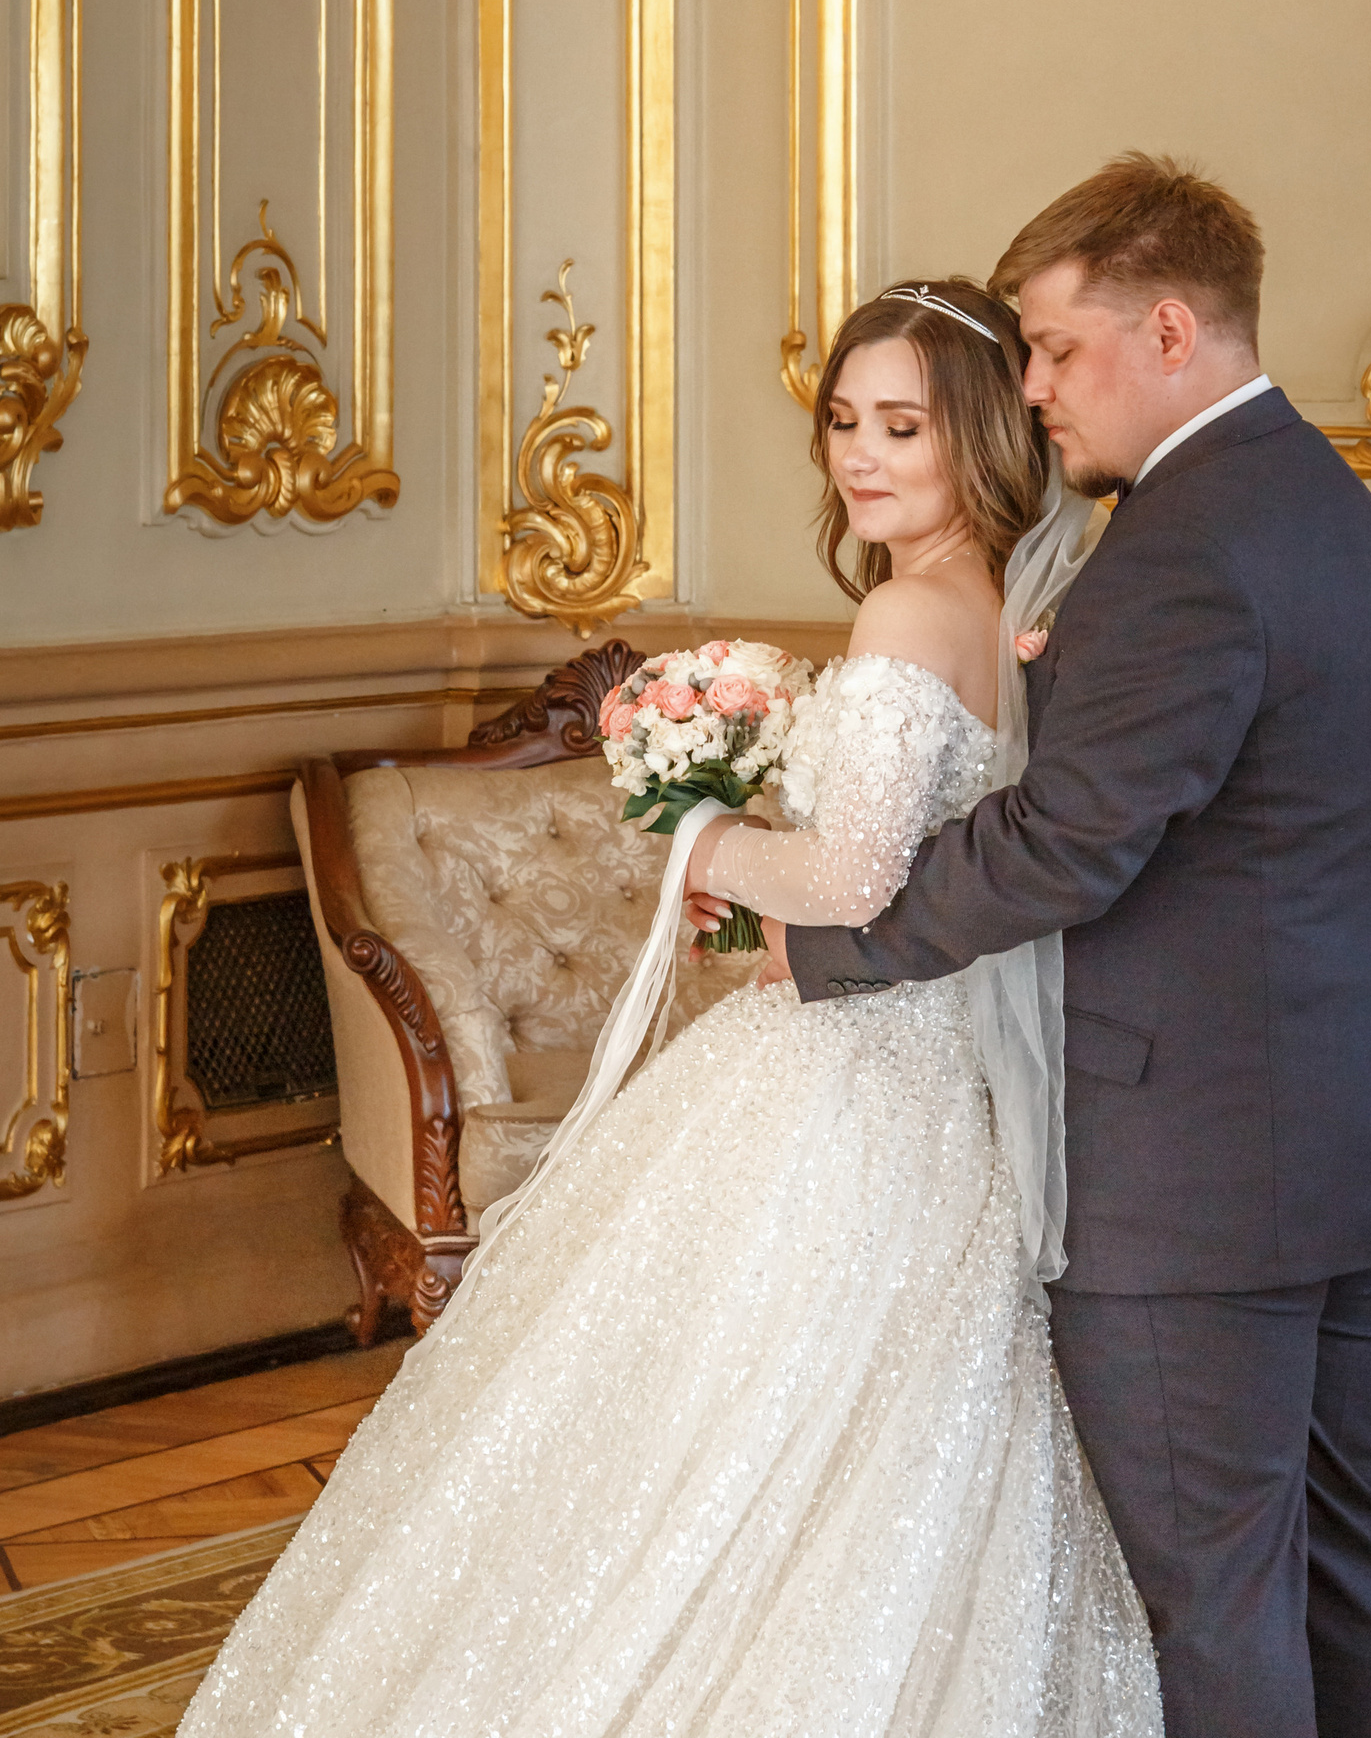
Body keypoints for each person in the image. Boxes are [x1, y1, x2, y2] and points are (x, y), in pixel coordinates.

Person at [181, 280, 1163, 1738]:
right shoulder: (1005, 612)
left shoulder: (908, 611)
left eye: (903, 427)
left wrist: (700, 842)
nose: (861, 455)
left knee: (711, 1425)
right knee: (890, 1431)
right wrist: (756, 856)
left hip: (854, 1073)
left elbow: (850, 876)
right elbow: (921, 869)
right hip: (936, 1066)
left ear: (978, 437)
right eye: (844, 421)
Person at [751, 156, 1371, 1738]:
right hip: (1346, 1114)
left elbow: (1068, 841)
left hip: (1203, 1161)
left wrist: (827, 951)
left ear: (1168, 331)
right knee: (1335, 1546)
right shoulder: (1314, 496)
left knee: (1214, 1592)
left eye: (1055, 348)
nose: (1031, 387)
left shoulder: (1182, 547)